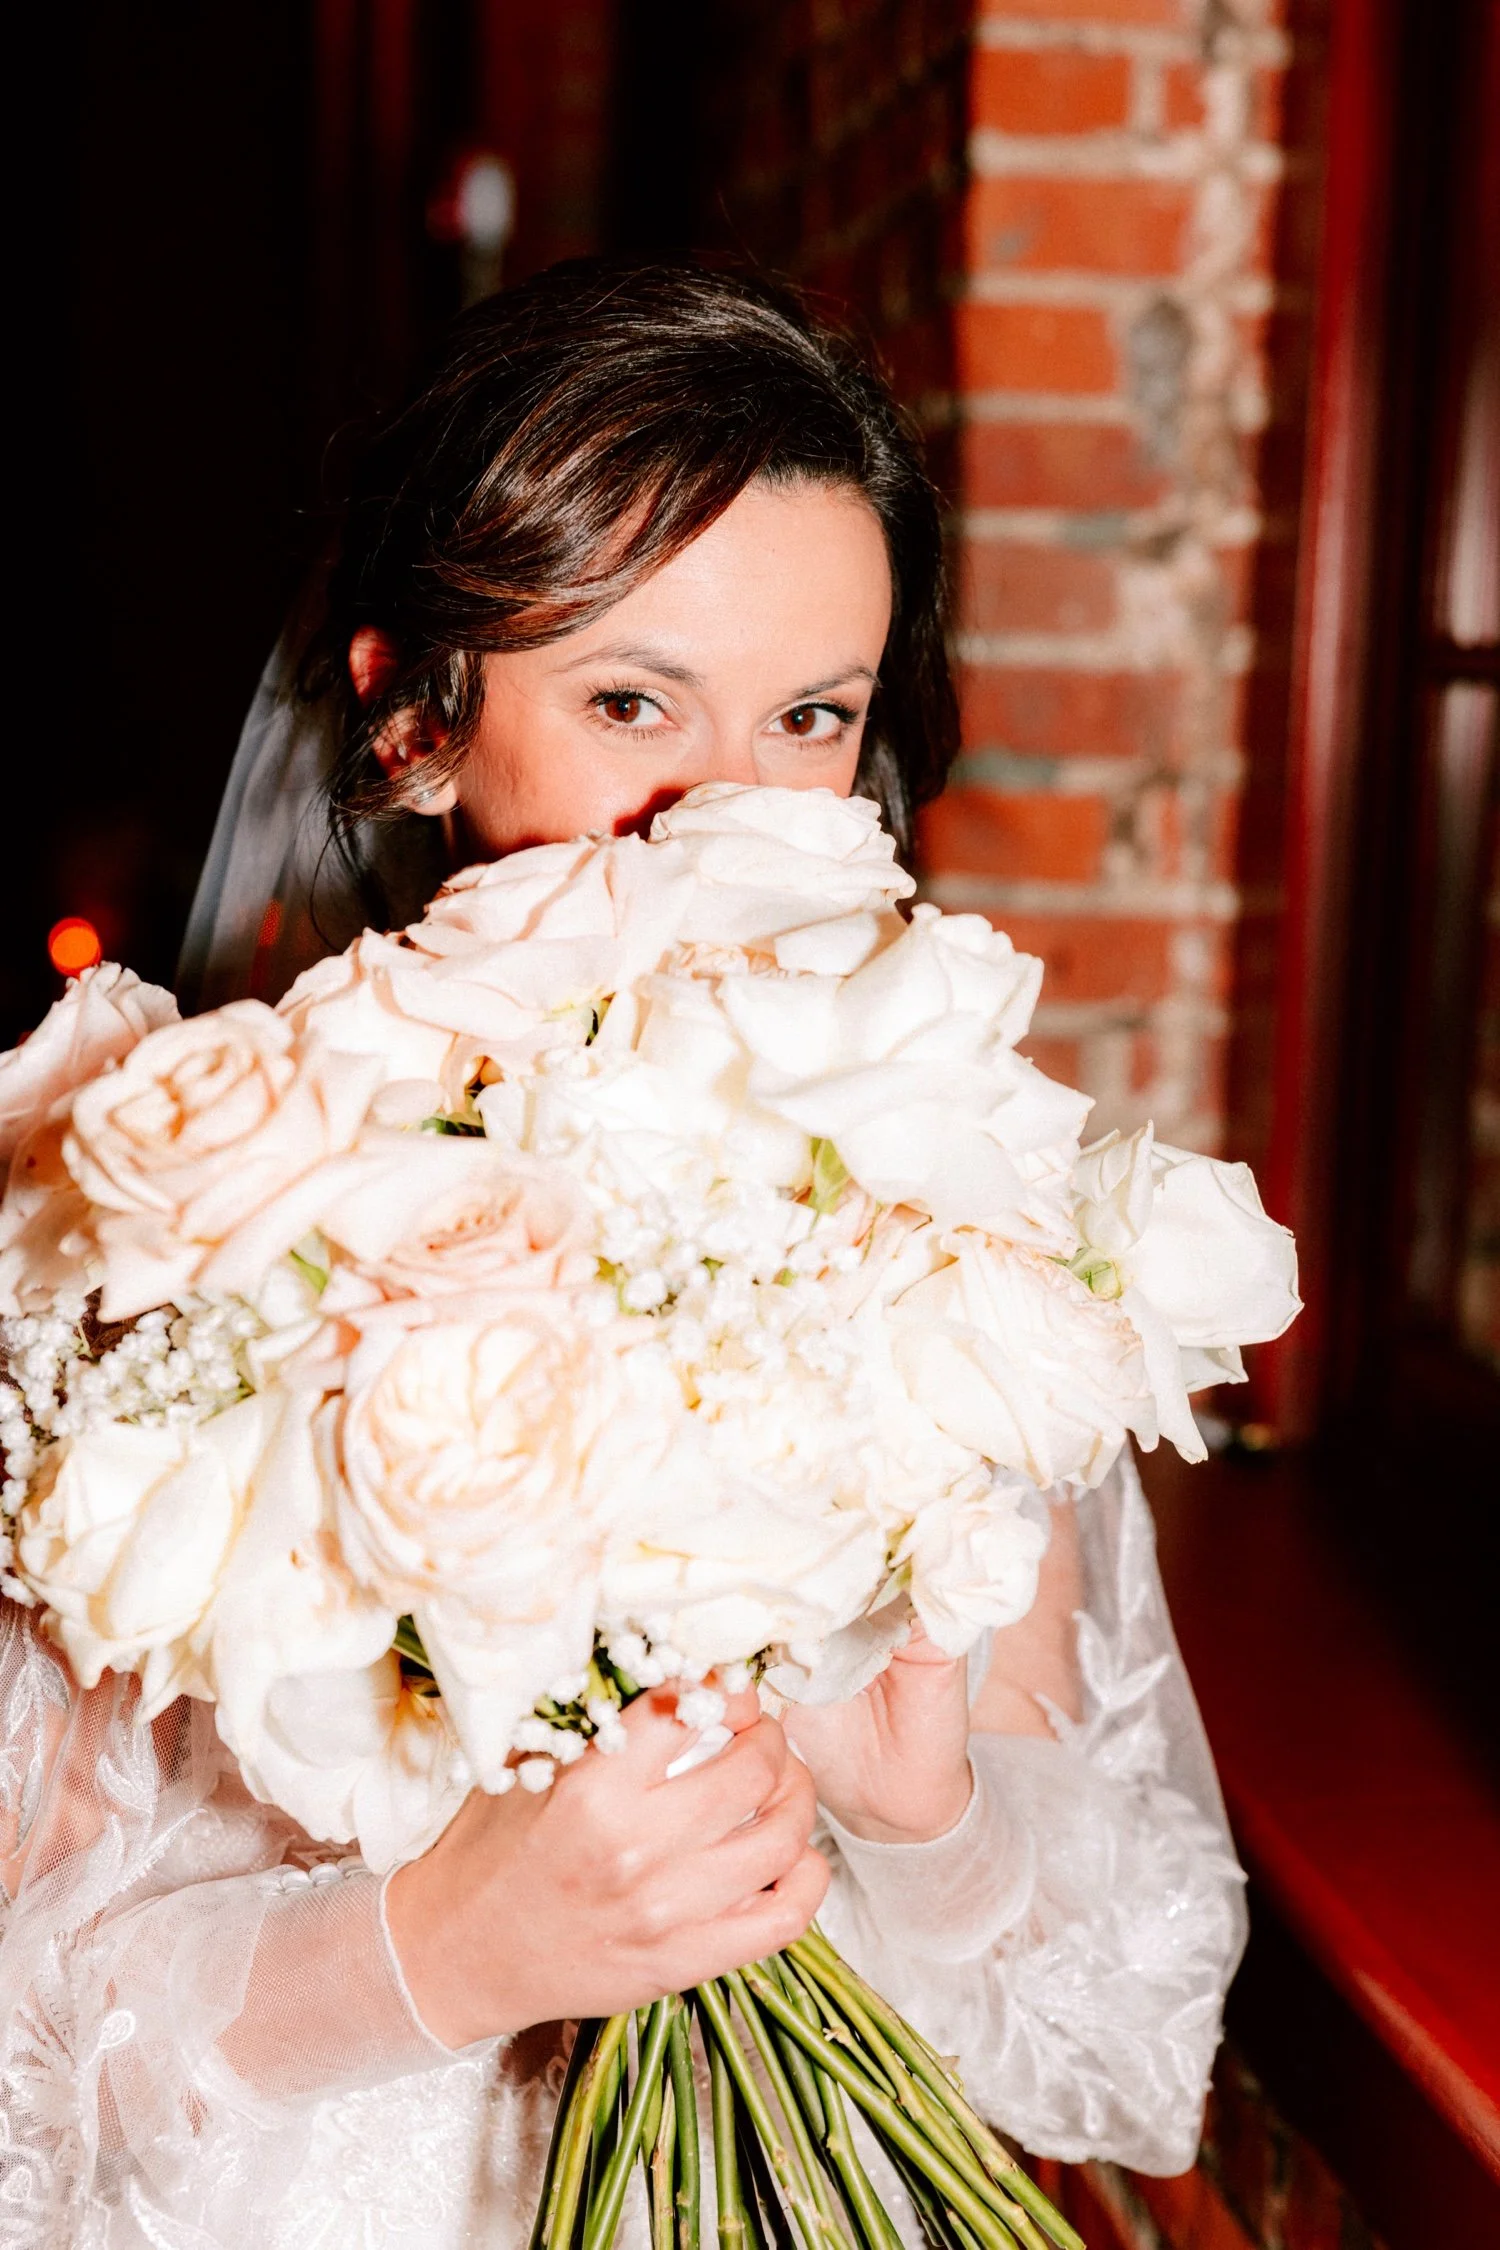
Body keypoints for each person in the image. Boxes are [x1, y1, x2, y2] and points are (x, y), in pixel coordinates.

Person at [0, 261, 1246, 2249]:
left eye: (811, 715)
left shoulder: (938, 1220)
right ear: (417, 720)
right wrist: (433, 1952)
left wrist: (921, 1828)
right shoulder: (162, 1225)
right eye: (631, 702)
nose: (728, 814)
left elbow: (1110, 2052)